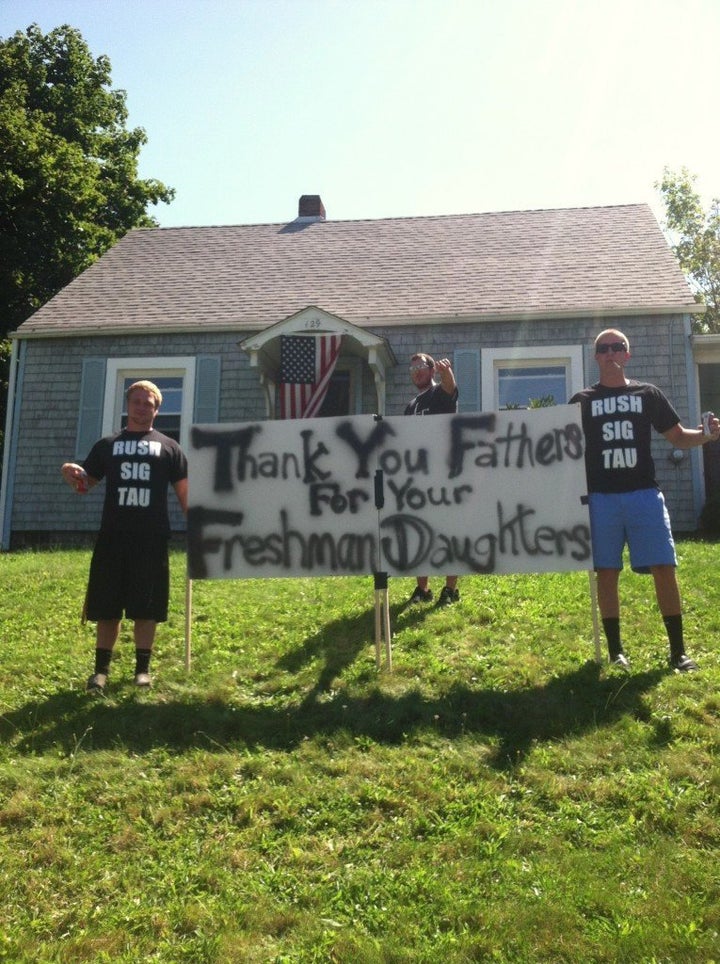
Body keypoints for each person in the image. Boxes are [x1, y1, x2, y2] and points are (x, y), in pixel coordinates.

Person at [571, 328, 720, 671]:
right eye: (603, 348)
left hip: (643, 495)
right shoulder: (582, 401)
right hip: (601, 498)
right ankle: (615, 652)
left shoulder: (647, 394)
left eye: (617, 347)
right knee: (606, 572)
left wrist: (708, 435)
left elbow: (679, 437)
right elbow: (560, 448)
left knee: (664, 568)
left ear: (627, 354)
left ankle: (679, 652)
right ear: (596, 357)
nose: (610, 353)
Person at [61, 380, 189, 693]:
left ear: (157, 409)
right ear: (128, 404)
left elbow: (186, 493)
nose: (142, 407)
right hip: (112, 537)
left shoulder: (170, 447)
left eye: (149, 403)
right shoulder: (107, 445)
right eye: (137, 401)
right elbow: (84, 484)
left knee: (146, 606)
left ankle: (142, 671)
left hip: (152, 538)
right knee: (107, 606)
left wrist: (199, 526)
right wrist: (70, 471)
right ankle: (100, 672)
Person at [404, 352, 460, 606]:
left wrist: (446, 372)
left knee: (448, 531)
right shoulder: (411, 405)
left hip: (445, 475)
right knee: (419, 531)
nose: (416, 371)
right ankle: (422, 590)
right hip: (418, 478)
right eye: (412, 367)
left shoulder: (439, 394)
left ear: (431, 369)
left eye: (421, 366)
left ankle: (450, 589)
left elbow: (450, 388)